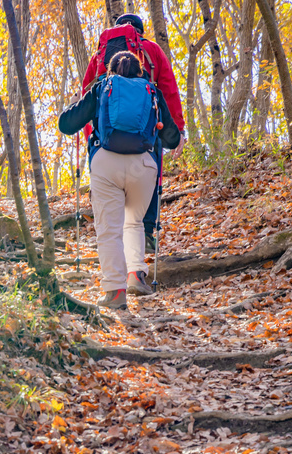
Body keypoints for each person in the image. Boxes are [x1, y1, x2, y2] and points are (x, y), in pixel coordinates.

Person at [59, 50, 181, 310]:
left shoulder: (102, 86)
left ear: (110, 70)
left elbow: (66, 125)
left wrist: (74, 104)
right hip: (144, 165)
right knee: (134, 222)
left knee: (109, 230)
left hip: (107, 163)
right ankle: (136, 275)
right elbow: (171, 138)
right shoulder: (151, 91)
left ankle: (115, 291)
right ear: (140, 71)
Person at [82, 13, 186, 252]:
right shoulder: (151, 50)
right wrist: (177, 129)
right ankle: (147, 233)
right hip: (146, 136)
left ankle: (113, 236)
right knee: (151, 176)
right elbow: (168, 89)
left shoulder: (99, 55)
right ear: (140, 31)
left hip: (104, 140)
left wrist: (90, 136)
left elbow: (88, 95)